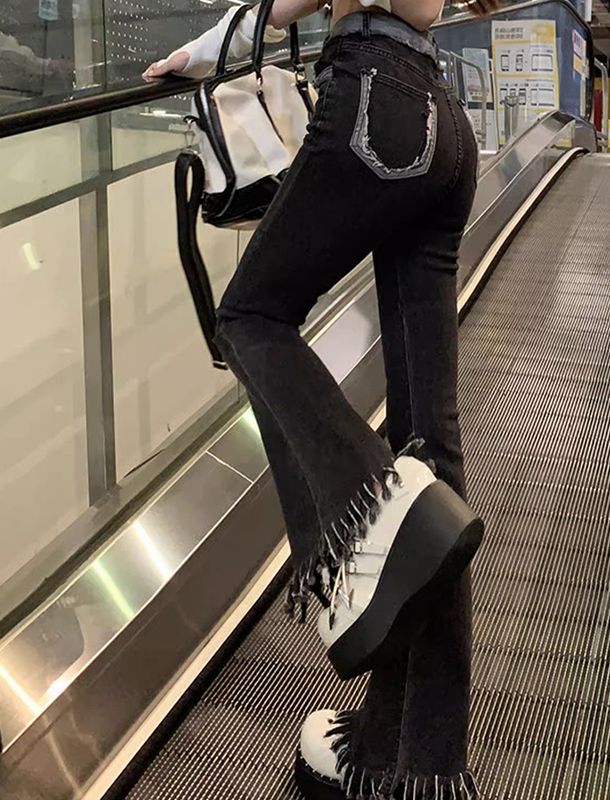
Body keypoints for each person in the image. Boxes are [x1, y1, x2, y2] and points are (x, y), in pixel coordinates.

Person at [145, 1, 502, 797]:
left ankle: (375, 509)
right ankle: (416, 766)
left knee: (248, 315)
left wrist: (201, 51)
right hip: (445, 120)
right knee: (431, 447)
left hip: (377, 101)